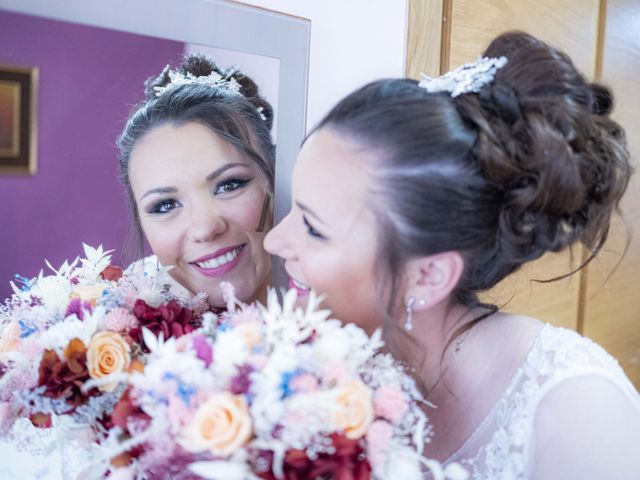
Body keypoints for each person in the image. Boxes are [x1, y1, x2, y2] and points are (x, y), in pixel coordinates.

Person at [264, 31, 640, 479]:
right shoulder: (313, 367)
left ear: (427, 276)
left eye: (312, 227)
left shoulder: (579, 408)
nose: (273, 241)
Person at [118, 53, 275, 308]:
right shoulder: (113, 326)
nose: (204, 229)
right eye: (166, 205)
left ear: (277, 178)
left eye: (229, 185)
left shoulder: (351, 315)